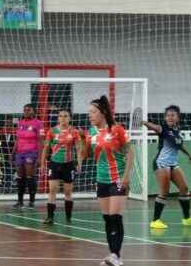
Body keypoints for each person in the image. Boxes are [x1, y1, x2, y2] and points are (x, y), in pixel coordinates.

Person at [80, 95, 134, 266]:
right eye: (89, 112)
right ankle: (112, 254)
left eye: (93, 112)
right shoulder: (91, 133)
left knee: (115, 216)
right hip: (101, 180)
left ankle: (116, 256)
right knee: (107, 219)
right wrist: (82, 141)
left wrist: (126, 177)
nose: (90, 115)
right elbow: (86, 155)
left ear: (102, 113)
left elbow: (130, 153)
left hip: (118, 179)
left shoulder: (117, 129)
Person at [143, 105, 191, 229]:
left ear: (178, 117)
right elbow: (155, 127)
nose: (170, 117)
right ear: (165, 118)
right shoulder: (163, 129)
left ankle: (187, 219)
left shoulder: (177, 131)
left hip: (173, 163)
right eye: (168, 115)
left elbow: (179, 145)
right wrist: (144, 122)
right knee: (164, 191)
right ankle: (155, 221)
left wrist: (189, 155)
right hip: (161, 163)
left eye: (172, 115)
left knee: (184, 188)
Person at [40, 109, 82, 224]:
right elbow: (46, 148)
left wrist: (79, 163)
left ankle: (68, 217)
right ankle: (50, 217)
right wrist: (43, 163)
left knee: (68, 192)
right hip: (54, 164)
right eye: (60, 116)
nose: (63, 118)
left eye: (65, 116)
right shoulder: (52, 131)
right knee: (52, 189)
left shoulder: (74, 132)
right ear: (58, 118)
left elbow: (78, 149)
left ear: (70, 118)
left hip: (68, 165)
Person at [12, 104, 43, 209]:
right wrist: (13, 152)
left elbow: (41, 141)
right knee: (20, 176)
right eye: (24, 110)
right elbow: (18, 139)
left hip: (32, 152)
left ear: (34, 111)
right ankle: (20, 201)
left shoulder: (39, 123)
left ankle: (31, 201)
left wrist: (39, 157)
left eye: (28, 110)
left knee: (30, 176)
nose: (26, 112)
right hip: (20, 153)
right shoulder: (20, 123)